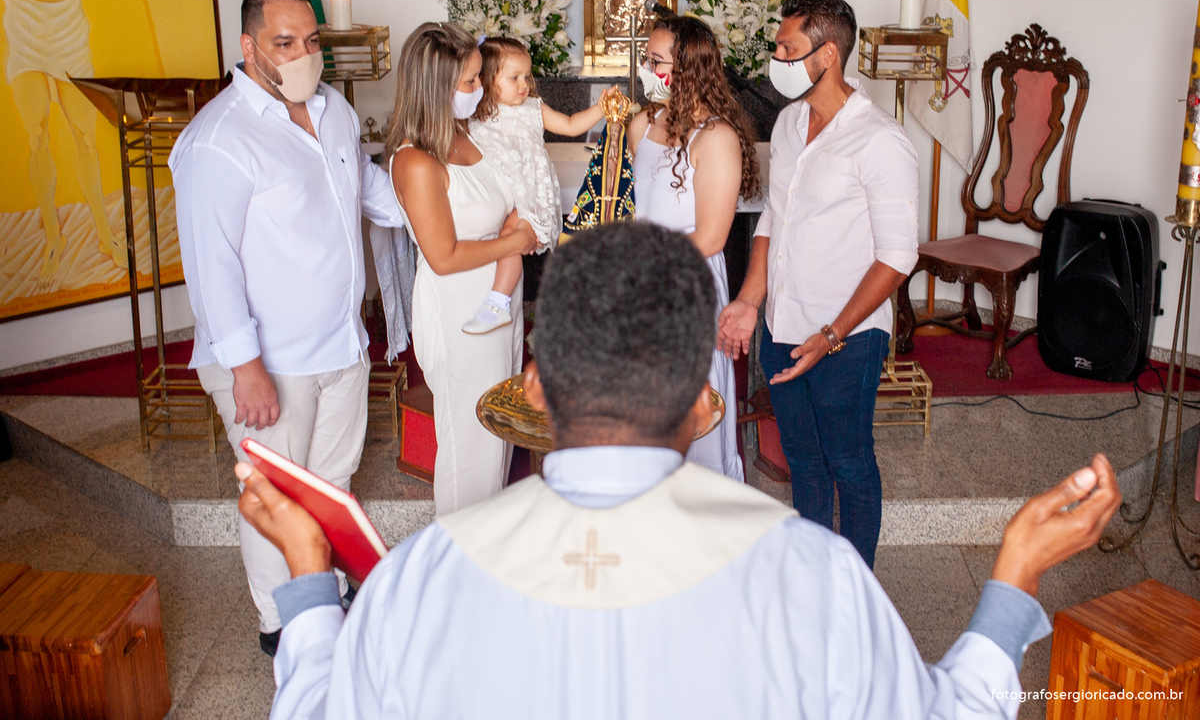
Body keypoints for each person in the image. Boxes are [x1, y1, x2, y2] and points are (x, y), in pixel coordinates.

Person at [237, 222, 1122, 720]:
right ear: (702, 399)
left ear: (534, 384)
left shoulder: (425, 575)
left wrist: (312, 582)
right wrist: (1013, 576)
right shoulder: (809, 573)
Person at [169, 0, 408, 657]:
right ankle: (283, 625)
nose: (303, 54)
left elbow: (368, 190)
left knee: (331, 483)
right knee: (272, 493)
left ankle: (322, 593)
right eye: (283, 43)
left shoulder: (330, 109)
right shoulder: (216, 140)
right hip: (265, 362)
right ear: (247, 47)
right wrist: (246, 367)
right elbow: (210, 267)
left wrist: (433, 208)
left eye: (311, 41)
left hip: (340, 341)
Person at [718, 0, 918, 569]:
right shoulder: (787, 122)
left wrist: (832, 334)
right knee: (802, 460)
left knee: (848, 461)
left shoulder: (880, 139)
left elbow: (897, 257)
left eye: (788, 47)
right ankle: (813, 578)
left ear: (827, 54)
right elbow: (774, 220)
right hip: (785, 322)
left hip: (846, 336)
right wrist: (750, 300)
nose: (776, 58)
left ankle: (855, 591)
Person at [386, 23, 538, 515]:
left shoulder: (467, 134)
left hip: (499, 299)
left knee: (498, 436)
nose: (479, 90)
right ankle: (459, 561)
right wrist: (514, 239)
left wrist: (517, 219)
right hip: (459, 311)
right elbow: (444, 256)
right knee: (469, 446)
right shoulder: (415, 160)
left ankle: (488, 550)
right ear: (436, 88)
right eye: (470, 82)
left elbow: (503, 197)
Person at [628, 15, 760, 482]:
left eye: (656, 61)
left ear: (688, 69)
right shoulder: (642, 123)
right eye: (646, 58)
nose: (645, 69)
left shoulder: (717, 138)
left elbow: (711, 237)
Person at [3, 0, 128, 290]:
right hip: (23, 25)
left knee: (85, 138)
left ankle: (105, 235)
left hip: (66, 27)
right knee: (37, 135)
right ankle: (54, 240)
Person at [464, 36, 617, 334]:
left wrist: (600, 108)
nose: (524, 85)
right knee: (492, 240)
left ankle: (497, 302)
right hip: (496, 194)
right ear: (486, 80)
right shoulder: (475, 114)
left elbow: (572, 125)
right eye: (514, 78)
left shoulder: (533, 108)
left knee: (510, 235)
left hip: (528, 196)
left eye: (526, 76)